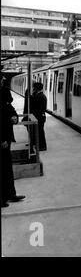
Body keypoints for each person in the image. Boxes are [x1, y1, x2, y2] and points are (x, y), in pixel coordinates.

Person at [0, 73, 25, 208]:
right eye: (1, 78)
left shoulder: (4, 98)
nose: (4, 79)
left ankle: (10, 194)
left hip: (6, 140)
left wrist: (15, 117)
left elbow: (11, 109)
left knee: (7, 168)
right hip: (2, 140)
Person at [30, 82, 47, 151]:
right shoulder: (40, 95)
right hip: (40, 116)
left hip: (39, 117)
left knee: (40, 132)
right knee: (40, 131)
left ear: (36, 88)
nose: (33, 89)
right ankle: (39, 145)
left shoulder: (40, 96)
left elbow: (33, 104)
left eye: (34, 87)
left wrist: (32, 96)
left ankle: (42, 146)